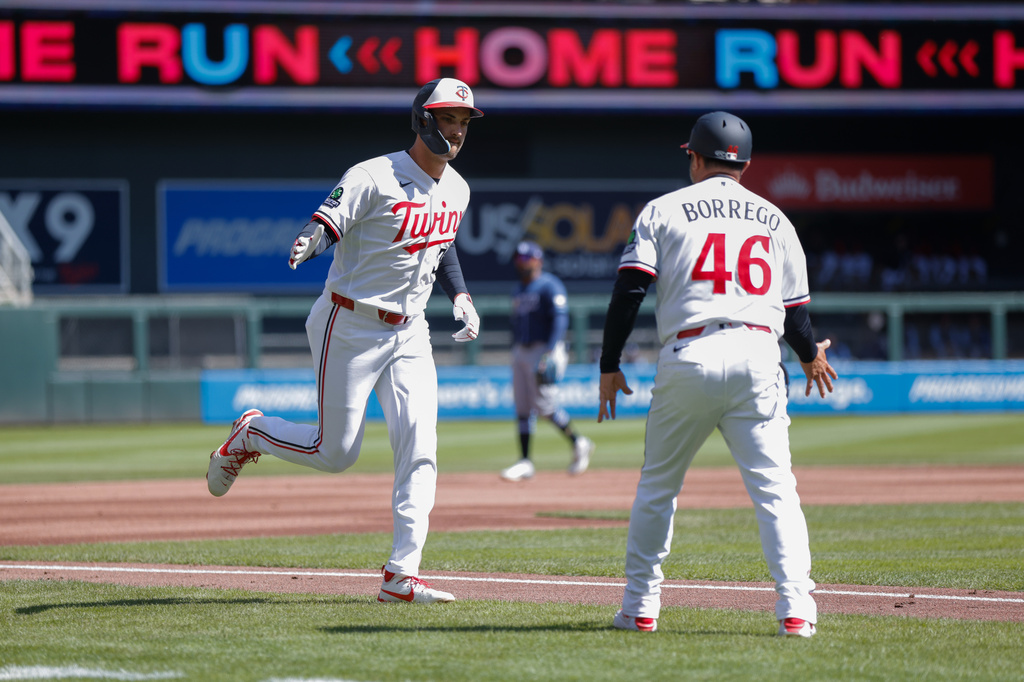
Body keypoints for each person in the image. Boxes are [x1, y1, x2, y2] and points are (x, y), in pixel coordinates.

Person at [206, 77, 484, 604]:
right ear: (424, 119)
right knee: (335, 453)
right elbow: (330, 218)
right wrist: (312, 239)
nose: (458, 130)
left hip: (411, 330)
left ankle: (401, 575)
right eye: (449, 118)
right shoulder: (374, 175)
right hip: (349, 323)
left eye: (465, 121)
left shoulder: (459, 188)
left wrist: (461, 295)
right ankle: (252, 432)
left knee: (421, 447)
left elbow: (441, 244)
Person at [597, 111, 837, 636]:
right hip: (758, 354)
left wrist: (609, 362)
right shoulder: (776, 218)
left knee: (658, 487)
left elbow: (630, 291)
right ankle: (796, 611)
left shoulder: (662, 210)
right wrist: (808, 354)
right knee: (776, 491)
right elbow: (795, 312)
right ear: (745, 165)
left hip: (689, 353)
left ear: (694, 157)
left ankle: (640, 608)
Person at [500, 240, 595, 481]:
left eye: (526, 258)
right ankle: (525, 462)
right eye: (519, 259)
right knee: (522, 407)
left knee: (545, 407)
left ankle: (579, 442)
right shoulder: (519, 290)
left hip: (544, 349)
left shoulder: (549, 285)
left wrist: (550, 351)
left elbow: (560, 320)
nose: (521, 263)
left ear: (537, 260)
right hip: (522, 350)